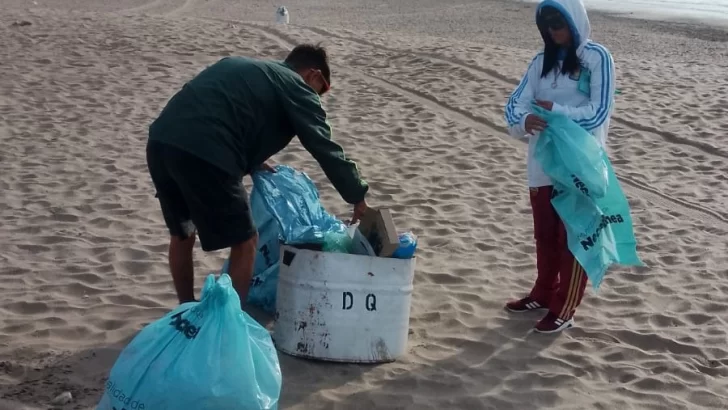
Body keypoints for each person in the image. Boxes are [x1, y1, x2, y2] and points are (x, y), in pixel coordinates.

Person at [146, 44, 370, 307]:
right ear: (313, 75)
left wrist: (254, 159)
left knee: (182, 233)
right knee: (246, 241)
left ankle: (184, 308)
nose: (316, 99)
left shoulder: (251, 68)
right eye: (319, 93)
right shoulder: (295, 85)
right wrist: (357, 194)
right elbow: (323, 145)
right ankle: (231, 324)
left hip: (161, 143)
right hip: (207, 151)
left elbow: (227, 108)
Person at [503, 0, 616, 333]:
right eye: (548, 26)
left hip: (580, 166)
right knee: (545, 234)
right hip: (542, 163)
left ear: (574, 21)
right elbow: (515, 105)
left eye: (559, 24)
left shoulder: (597, 58)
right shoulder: (540, 62)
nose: (554, 32)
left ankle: (566, 306)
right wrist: (526, 120)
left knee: (575, 235)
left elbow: (599, 112)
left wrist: (558, 111)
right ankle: (542, 292)